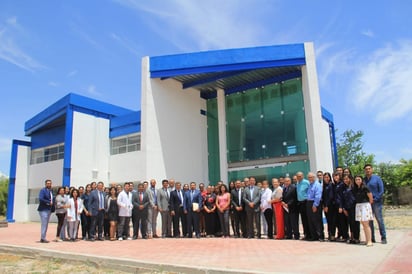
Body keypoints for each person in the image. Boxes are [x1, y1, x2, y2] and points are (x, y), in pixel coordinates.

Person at [364, 164, 387, 244]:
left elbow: (381, 191)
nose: (368, 170)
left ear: (372, 169)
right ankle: (372, 238)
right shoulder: (364, 180)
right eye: (366, 169)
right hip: (367, 204)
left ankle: (383, 237)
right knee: (369, 221)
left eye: (369, 169)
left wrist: (375, 199)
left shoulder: (377, 178)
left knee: (379, 220)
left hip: (377, 203)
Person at [353, 175, 374, 247]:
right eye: (356, 180)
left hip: (365, 206)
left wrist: (368, 205)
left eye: (359, 179)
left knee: (366, 224)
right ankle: (366, 240)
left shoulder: (365, 187)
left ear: (361, 180)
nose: (357, 181)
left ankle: (369, 241)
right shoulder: (356, 188)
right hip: (359, 206)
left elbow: (370, 197)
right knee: (363, 224)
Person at [306, 172, 323, 241]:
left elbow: (318, 196)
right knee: (310, 220)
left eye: (311, 177)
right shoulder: (310, 185)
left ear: (314, 177)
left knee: (317, 220)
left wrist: (315, 205)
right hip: (309, 203)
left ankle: (320, 236)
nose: (310, 179)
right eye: (309, 177)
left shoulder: (317, 185)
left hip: (314, 203)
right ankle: (314, 236)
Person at [342, 174, 359, 244]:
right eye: (344, 179)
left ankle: (356, 238)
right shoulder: (344, 187)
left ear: (350, 179)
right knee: (350, 223)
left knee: (355, 223)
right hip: (347, 207)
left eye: (347, 179)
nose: (346, 180)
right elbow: (343, 199)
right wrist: (344, 208)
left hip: (354, 207)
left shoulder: (353, 187)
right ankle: (352, 237)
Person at [322, 172, 337, 241]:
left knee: (332, 221)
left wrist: (327, 205)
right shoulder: (324, 186)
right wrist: (324, 206)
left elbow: (331, 196)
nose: (326, 178)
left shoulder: (331, 185)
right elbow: (323, 197)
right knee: (328, 221)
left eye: (327, 177)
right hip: (325, 206)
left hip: (331, 206)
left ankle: (333, 235)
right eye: (325, 177)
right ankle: (329, 234)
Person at [335, 172, 349, 242]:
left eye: (337, 176)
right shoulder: (335, 184)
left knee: (343, 222)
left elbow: (341, 197)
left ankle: (345, 236)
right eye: (334, 176)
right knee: (339, 222)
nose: (336, 177)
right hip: (336, 206)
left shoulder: (341, 185)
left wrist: (341, 206)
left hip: (341, 205)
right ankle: (342, 235)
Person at [296, 172, 310, 240]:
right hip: (300, 203)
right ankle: (306, 234)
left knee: (308, 219)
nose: (299, 177)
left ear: (303, 176)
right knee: (303, 220)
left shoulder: (306, 182)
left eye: (300, 176)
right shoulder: (297, 183)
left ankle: (310, 234)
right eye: (298, 176)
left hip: (306, 202)